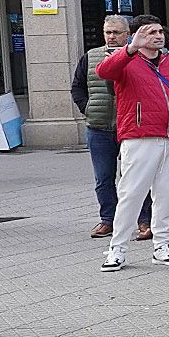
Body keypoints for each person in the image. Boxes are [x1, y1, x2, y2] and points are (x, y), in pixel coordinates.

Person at [94, 15, 169, 270]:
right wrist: (129, 48)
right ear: (136, 35)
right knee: (131, 194)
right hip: (139, 137)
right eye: (150, 32)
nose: (157, 36)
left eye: (160, 31)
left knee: (165, 193)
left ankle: (162, 245)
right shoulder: (124, 61)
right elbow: (103, 72)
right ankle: (116, 249)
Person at [72, 15, 133, 238]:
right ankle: (108, 219)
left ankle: (144, 220)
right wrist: (87, 108)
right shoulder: (90, 57)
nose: (111, 37)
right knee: (103, 178)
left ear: (128, 34)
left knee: (134, 177)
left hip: (129, 128)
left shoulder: (137, 56)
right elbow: (77, 87)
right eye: (108, 32)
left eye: (116, 32)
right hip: (98, 127)